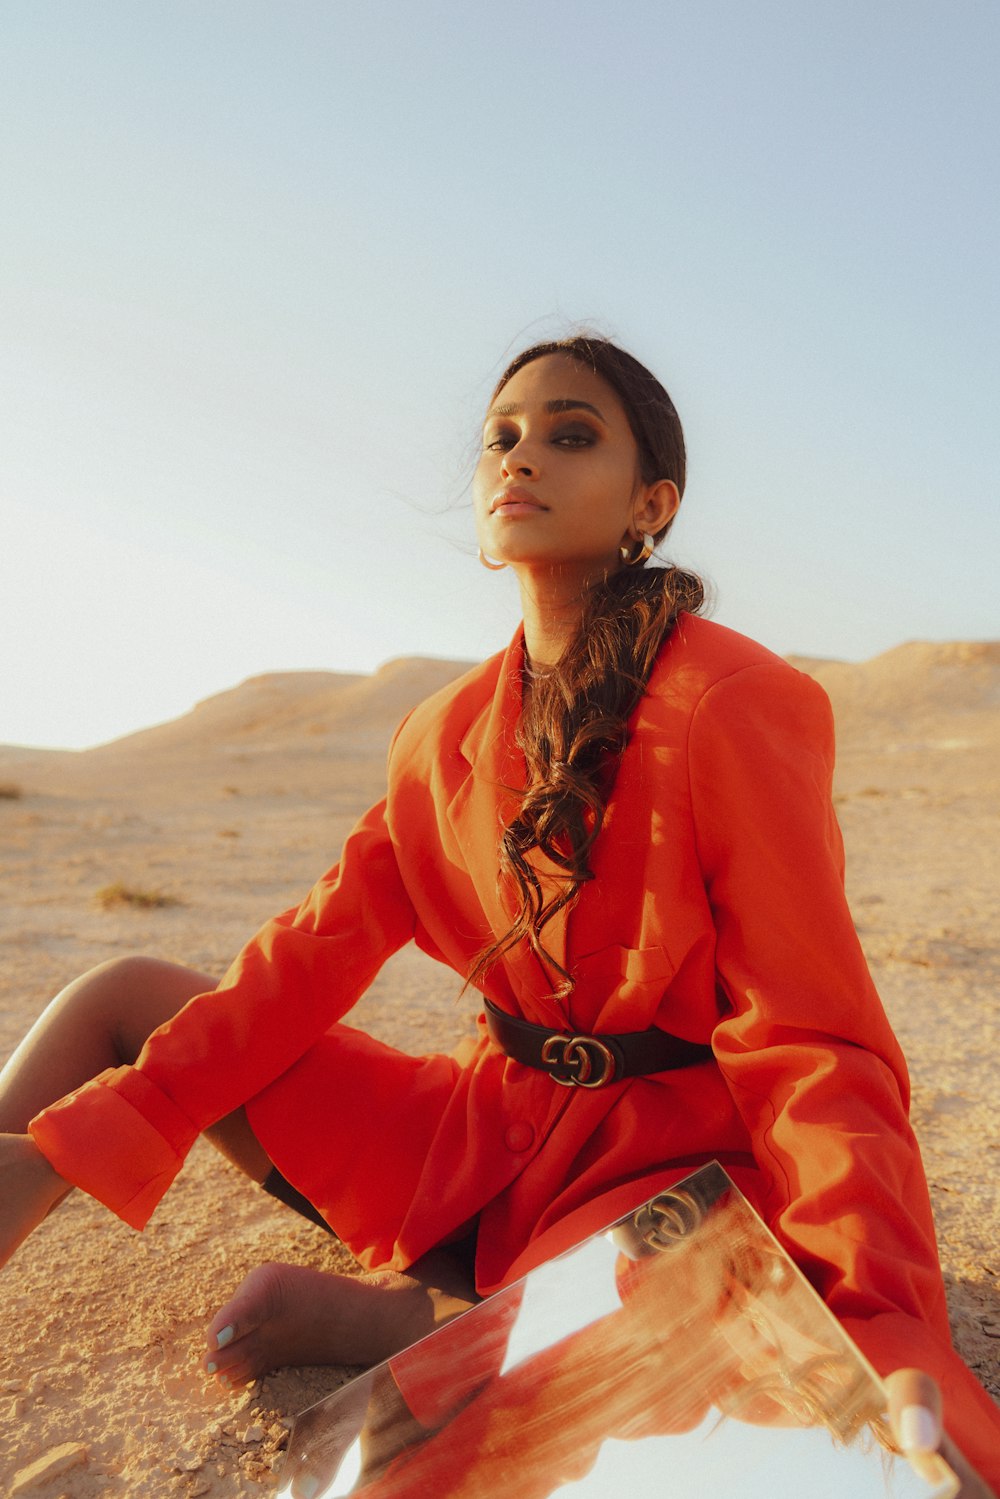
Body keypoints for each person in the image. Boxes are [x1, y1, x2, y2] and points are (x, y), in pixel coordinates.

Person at [1, 336, 997, 1492]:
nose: (522, 457)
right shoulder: (437, 731)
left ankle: (403, 1322)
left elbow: (808, 1035)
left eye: (571, 435)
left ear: (649, 504)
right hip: (476, 1136)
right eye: (503, 436)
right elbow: (307, 959)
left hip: (667, 1168)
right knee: (120, 997)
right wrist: (66, 1147)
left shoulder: (734, 701)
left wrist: (880, 1310)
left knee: (679, 1334)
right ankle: (427, 1306)